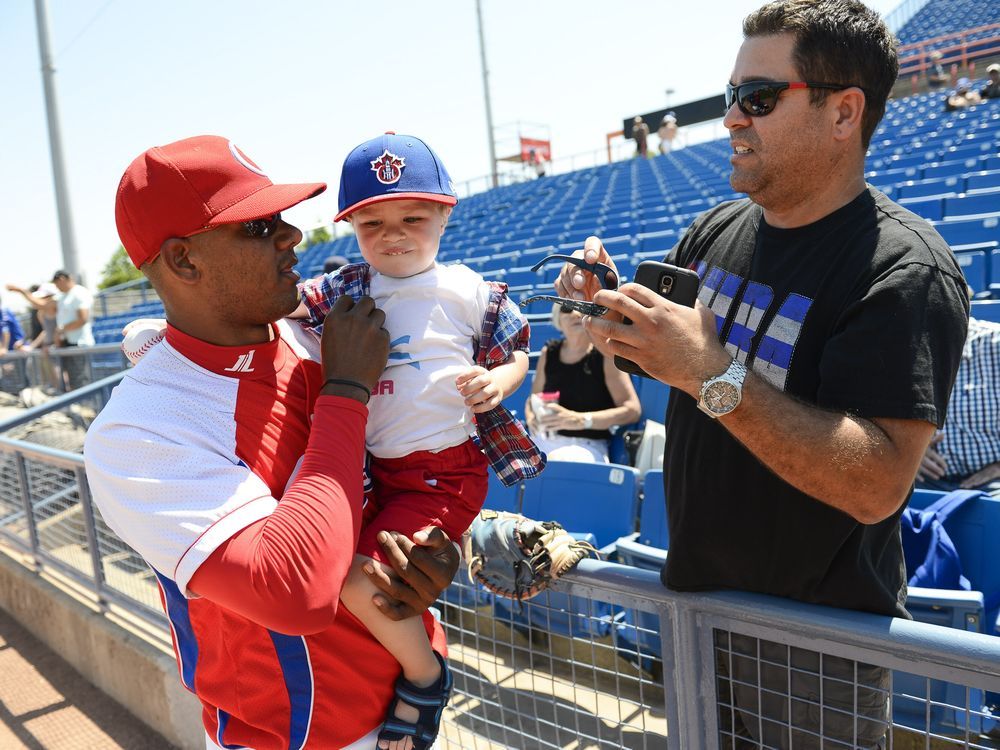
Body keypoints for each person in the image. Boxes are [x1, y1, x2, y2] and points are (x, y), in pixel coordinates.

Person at [555, 1, 969, 747]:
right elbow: (673, 370)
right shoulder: (713, 231)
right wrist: (615, 324)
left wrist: (713, 371)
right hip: (696, 614)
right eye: (731, 98)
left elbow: (876, 486)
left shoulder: (907, 270)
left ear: (845, 114)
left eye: (759, 98)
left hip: (815, 650)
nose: (733, 119)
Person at [84, 135, 464, 750]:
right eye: (259, 227)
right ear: (183, 261)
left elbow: (403, 470)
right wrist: (344, 391)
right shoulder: (140, 427)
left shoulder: (315, 336)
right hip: (298, 738)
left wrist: (432, 550)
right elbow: (294, 593)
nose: (293, 236)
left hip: (408, 705)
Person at [294, 131, 539, 750]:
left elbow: (518, 353)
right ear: (350, 227)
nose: (392, 234)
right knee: (329, 574)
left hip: (446, 473)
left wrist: (498, 380)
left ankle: (426, 676)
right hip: (374, 470)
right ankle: (397, 668)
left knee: (359, 579)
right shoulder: (347, 288)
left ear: (444, 214)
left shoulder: (468, 290)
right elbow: (284, 308)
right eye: (371, 222)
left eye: (412, 217)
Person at [525, 303, 640, 463]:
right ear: (559, 318)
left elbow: (632, 411)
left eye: (582, 308)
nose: (575, 313)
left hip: (586, 446)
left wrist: (580, 420)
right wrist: (532, 418)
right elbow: (533, 398)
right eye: (567, 308)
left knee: (557, 461)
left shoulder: (605, 354)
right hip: (542, 439)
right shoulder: (549, 352)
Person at [917, 312, 1000, 497]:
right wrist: (908, 453)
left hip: (994, 481)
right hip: (919, 478)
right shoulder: (897, 349)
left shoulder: (995, 342)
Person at [47, 270, 94, 390]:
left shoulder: (79, 292)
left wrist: (61, 329)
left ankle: (88, 406)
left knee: (82, 381)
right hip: (69, 344)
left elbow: (83, 319)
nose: (56, 287)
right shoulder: (63, 295)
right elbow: (44, 305)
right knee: (74, 381)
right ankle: (81, 406)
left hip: (80, 344)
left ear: (62, 279)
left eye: (57, 283)